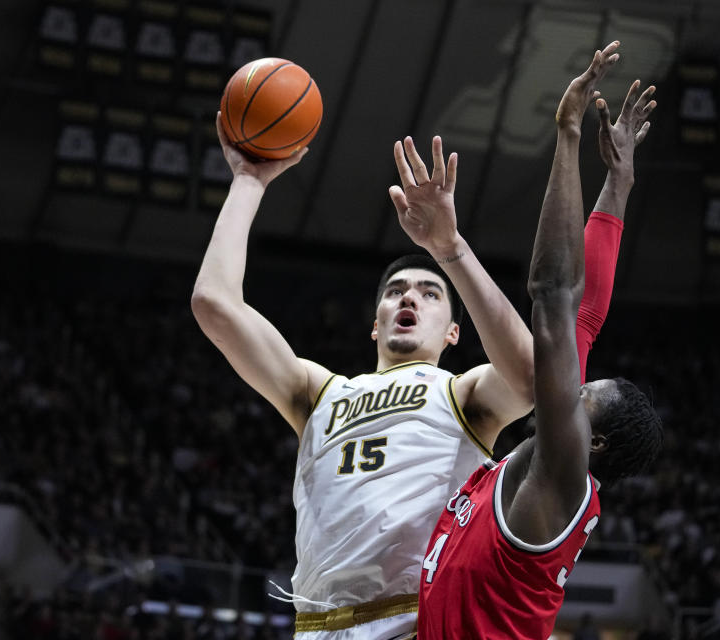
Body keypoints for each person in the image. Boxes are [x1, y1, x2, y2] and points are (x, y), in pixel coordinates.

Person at [192, 114, 536, 636]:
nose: (409, 298)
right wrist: (248, 182)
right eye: (396, 291)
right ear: (374, 326)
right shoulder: (318, 391)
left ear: (452, 334)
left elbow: (534, 379)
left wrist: (451, 251)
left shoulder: (463, 394)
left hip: (413, 623)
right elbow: (214, 304)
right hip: (316, 627)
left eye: (429, 293)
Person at [416, 41, 663, 639]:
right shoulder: (548, 456)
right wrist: (619, 183)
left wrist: (569, 134)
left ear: (593, 444)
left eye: (581, 395)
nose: (566, 388)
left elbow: (554, 295)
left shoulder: (560, 474)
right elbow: (584, 319)